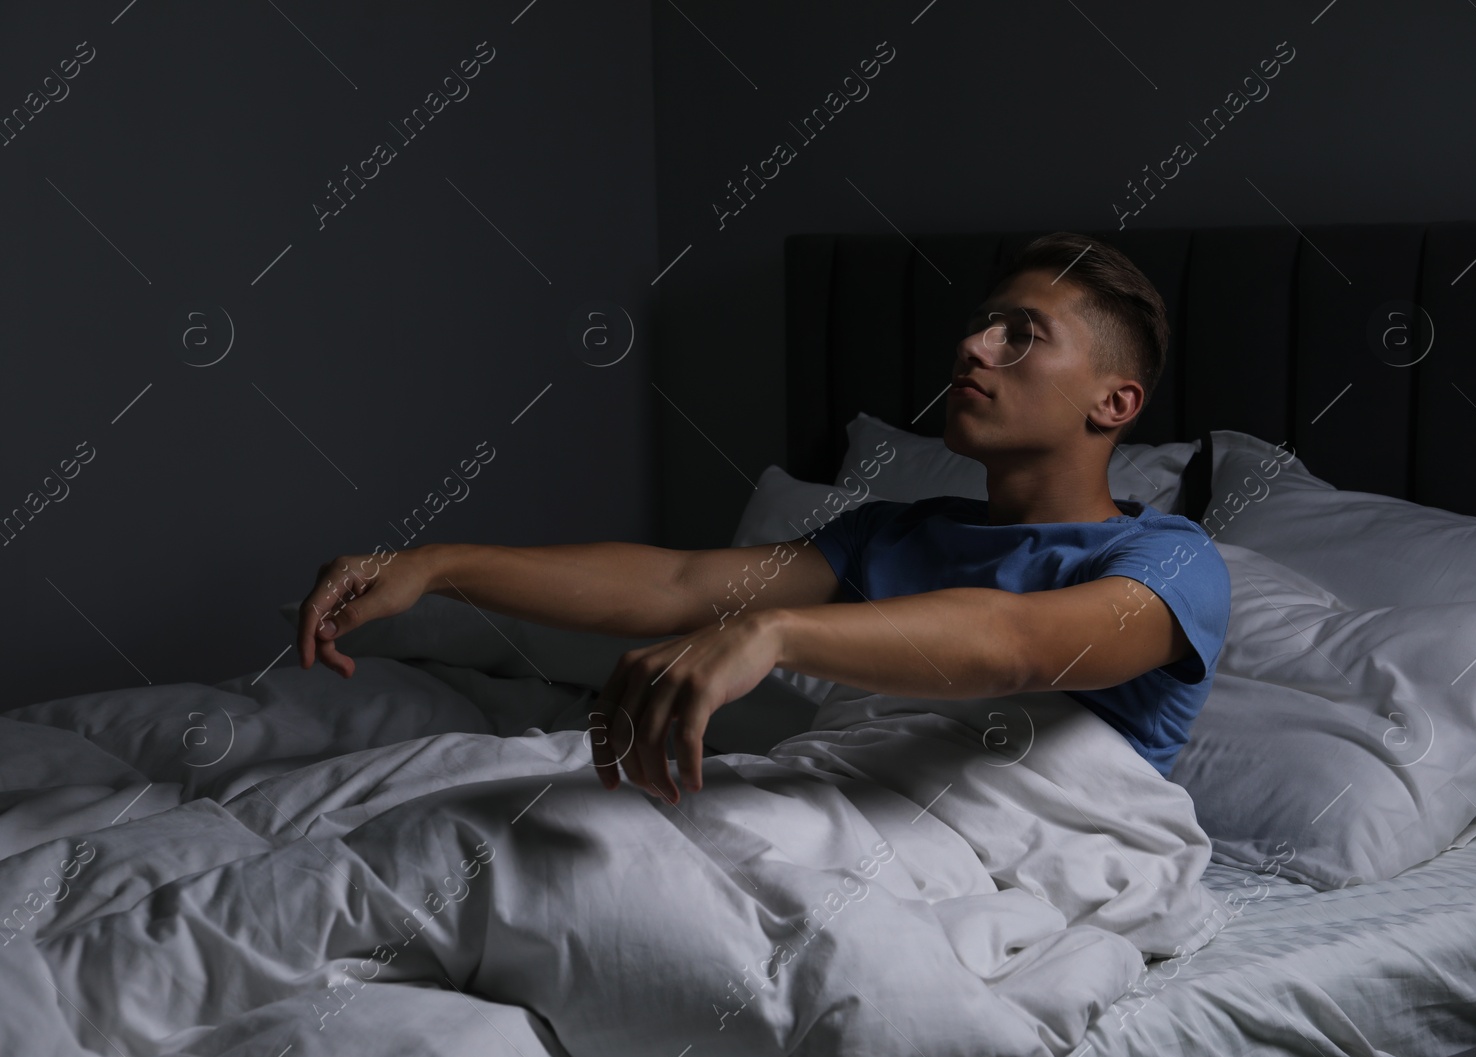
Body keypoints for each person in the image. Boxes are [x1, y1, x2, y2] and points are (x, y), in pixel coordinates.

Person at [296, 232, 1231, 807]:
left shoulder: (1168, 562)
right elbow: (679, 584)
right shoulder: (890, 537)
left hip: (986, 836)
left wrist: (772, 632)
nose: (973, 344)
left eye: (1020, 333)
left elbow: (1018, 644)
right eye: (984, 321)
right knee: (439, 793)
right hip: (846, 792)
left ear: (1114, 403)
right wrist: (437, 564)